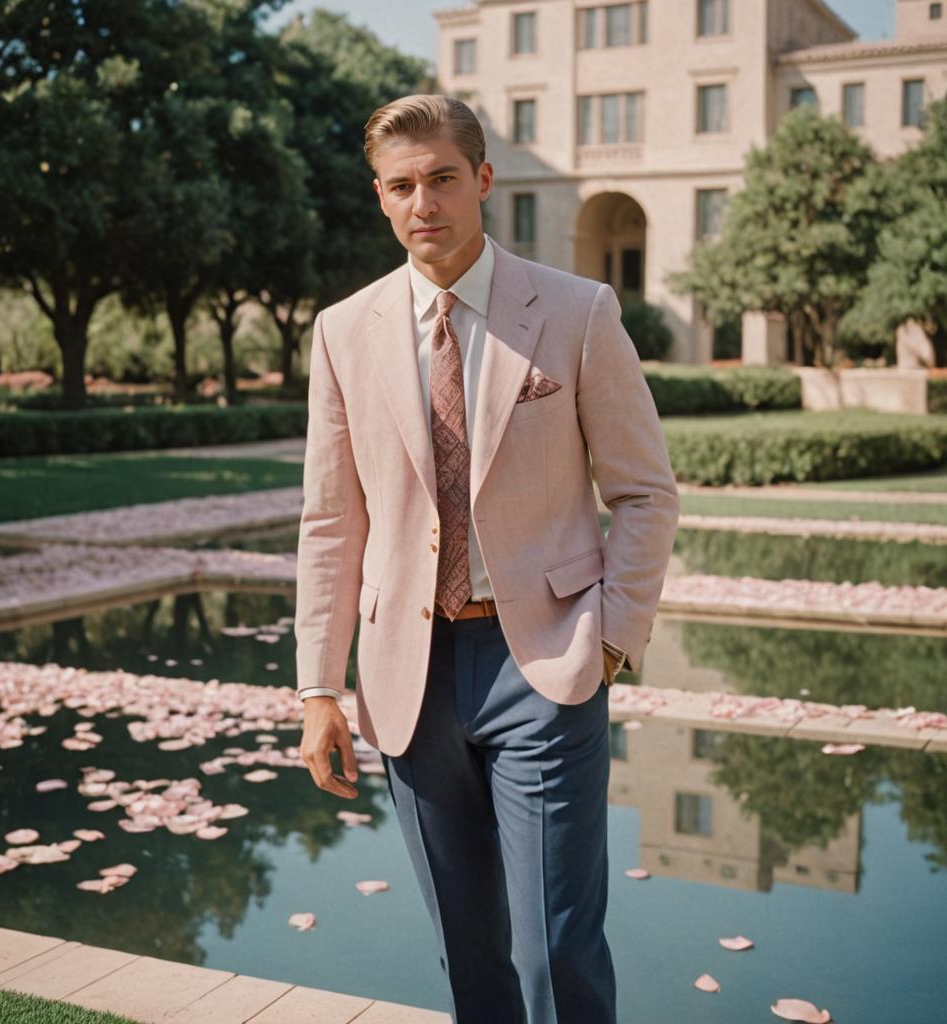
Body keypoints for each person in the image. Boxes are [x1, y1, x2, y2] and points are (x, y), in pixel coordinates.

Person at [294, 93, 679, 1024]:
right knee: (468, 952)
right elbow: (330, 523)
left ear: (483, 182)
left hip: (543, 661)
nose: (422, 201)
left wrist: (612, 641)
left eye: (441, 179)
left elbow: (645, 493)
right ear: (381, 197)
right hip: (405, 677)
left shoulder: (580, 312)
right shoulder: (343, 331)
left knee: (556, 948)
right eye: (401, 185)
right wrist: (316, 689)